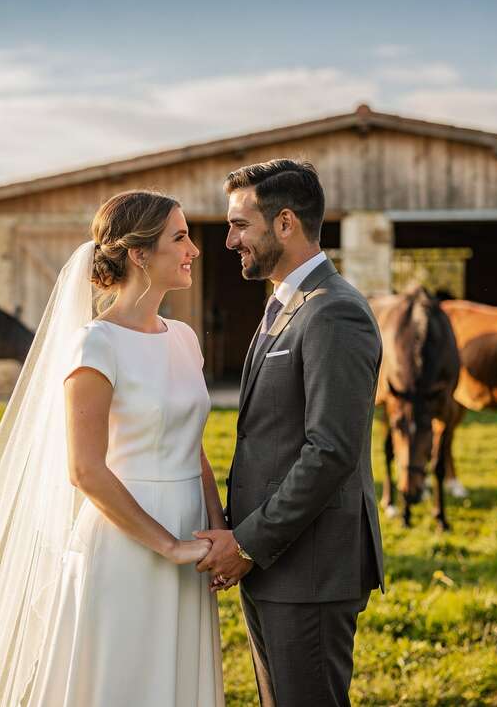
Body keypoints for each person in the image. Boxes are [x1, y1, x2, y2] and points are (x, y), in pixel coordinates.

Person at [0, 190, 225, 706]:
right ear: (138, 253)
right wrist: (169, 545)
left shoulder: (185, 338)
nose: (194, 249)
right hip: (127, 541)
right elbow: (85, 470)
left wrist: (216, 533)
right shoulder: (96, 344)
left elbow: (193, 450)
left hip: (191, 534)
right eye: (180, 237)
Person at [195, 159, 386, 707]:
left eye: (239, 224)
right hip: (275, 562)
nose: (229, 240)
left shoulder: (334, 312)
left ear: (285, 224)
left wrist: (250, 543)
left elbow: (331, 451)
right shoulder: (284, 304)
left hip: (311, 567)